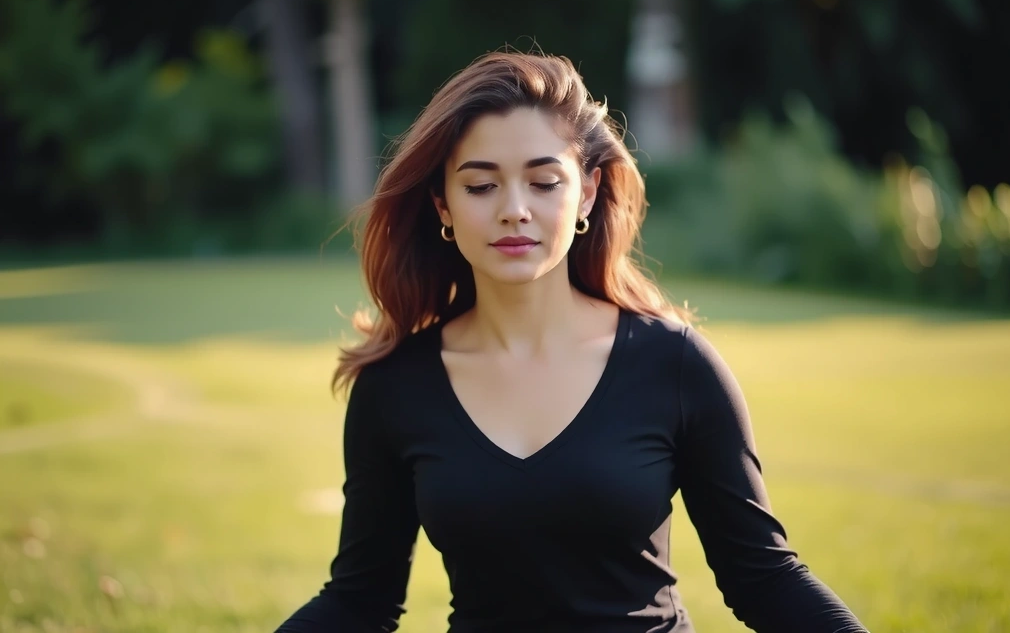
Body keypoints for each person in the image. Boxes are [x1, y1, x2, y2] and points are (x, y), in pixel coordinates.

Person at [274, 52, 868, 633]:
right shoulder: (395, 386)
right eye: (480, 186)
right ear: (442, 205)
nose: (514, 210)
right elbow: (360, 602)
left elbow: (764, 578)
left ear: (585, 193)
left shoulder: (674, 364)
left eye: (543, 182)